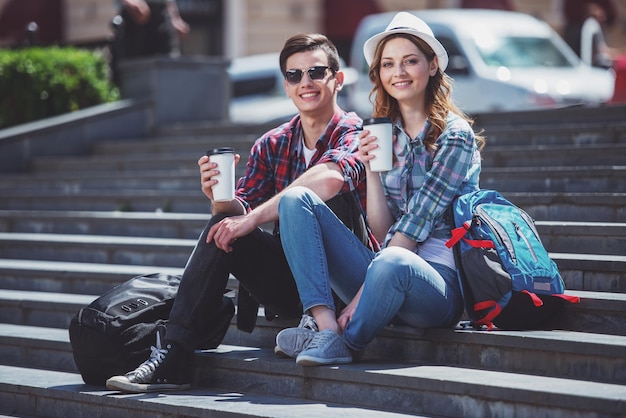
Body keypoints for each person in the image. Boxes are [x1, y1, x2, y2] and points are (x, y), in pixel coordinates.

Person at [105, 33, 376, 393]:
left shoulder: (356, 133)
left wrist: (251, 218)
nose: (305, 82)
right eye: (294, 75)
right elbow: (240, 209)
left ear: (337, 79)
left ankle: (322, 324)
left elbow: (330, 178)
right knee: (223, 224)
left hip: (349, 283)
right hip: (290, 283)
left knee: (329, 199)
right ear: (286, 85)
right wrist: (221, 198)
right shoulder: (273, 143)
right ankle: (173, 352)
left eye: (315, 72)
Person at [275, 11, 485, 366]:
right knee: (297, 199)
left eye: (410, 61)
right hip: (385, 270)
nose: (398, 72)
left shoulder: (455, 136)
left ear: (432, 65)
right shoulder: (386, 133)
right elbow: (383, 229)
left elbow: (413, 228)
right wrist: (372, 170)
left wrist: (358, 299)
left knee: (393, 259)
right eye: (388, 64)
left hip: (438, 287)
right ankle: (326, 329)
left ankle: (348, 342)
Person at [116, 0, 189, 59]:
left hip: (163, 11)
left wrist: (175, 16)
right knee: (135, 65)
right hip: (135, 12)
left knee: (169, 61)